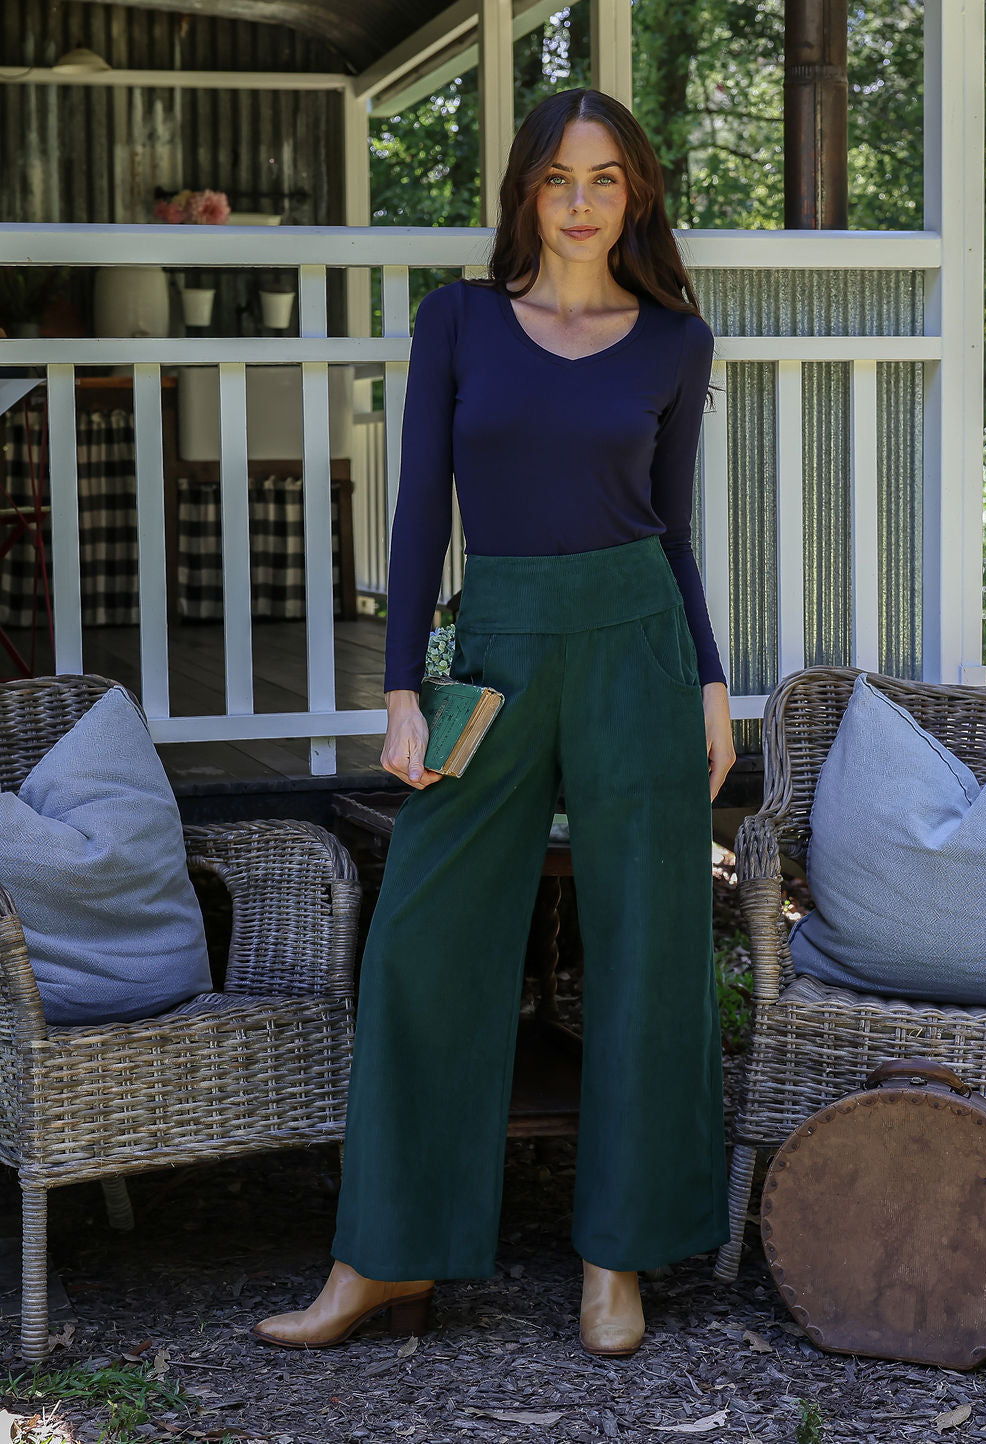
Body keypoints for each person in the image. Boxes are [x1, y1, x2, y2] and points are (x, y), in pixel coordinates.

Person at [253, 85, 737, 1360]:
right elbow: (421, 508)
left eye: (604, 180)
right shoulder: (459, 320)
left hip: (639, 649)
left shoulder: (673, 342)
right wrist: (401, 686)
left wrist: (709, 682)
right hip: (500, 649)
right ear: (526, 191)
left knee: (649, 952)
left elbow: (672, 532)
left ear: (634, 195)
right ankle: (382, 1257)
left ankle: (616, 1258)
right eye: (557, 179)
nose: (580, 203)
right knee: (423, 939)